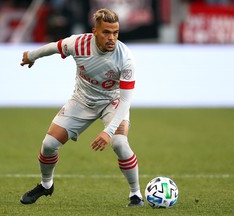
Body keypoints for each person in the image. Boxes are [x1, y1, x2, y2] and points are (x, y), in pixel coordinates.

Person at [19, 8, 144, 207]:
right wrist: (31, 55)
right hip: (82, 101)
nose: (112, 38)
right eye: (106, 32)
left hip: (113, 103)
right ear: (94, 31)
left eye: (115, 32)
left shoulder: (126, 58)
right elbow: (54, 47)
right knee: (49, 145)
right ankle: (46, 185)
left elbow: (126, 100)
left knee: (120, 143)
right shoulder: (78, 44)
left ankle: (135, 194)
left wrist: (108, 132)